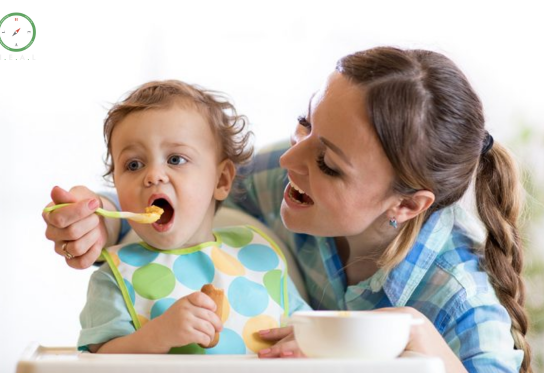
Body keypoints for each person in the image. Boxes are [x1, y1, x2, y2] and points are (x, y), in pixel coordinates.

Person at [43, 47, 532, 372]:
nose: (288, 159)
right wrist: (102, 217)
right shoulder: (283, 180)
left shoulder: (461, 295)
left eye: (327, 162)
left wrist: (405, 335)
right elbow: (185, 193)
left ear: (406, 204)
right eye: (306, 123)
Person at [46, 80, 310, 355]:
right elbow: (95, 363)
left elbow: (310, 332)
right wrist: (156, 337)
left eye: (175, 159)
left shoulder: (259, 256)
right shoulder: (115, 278)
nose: (153, 175)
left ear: (221, 180)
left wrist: (307, 344)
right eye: (133, 164)